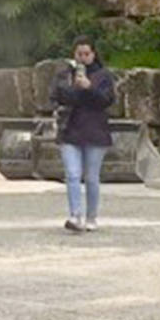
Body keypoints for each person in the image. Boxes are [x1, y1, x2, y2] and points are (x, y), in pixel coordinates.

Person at [50, 38, 116, 233]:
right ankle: (75, 215)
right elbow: (55, 97)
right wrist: (73, 89)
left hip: (95, 131)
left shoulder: (103, 76)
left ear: (93, 55)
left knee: (92, 177)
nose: (83, 58)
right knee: (72, 174)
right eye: (79, 54)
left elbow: (106, 100)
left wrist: (89, 88)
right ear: (74, 55)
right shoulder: (64, 75)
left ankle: (91, 216)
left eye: (87, 54)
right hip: (70, 129)